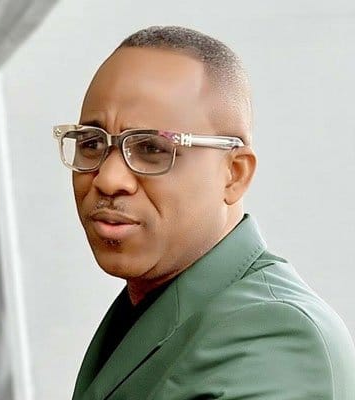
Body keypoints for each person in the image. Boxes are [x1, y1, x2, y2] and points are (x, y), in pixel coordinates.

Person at [53, 26, 355, 400]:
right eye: (92, 143)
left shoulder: (274, 333)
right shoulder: (150, 302)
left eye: (152, 148)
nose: (108, 178)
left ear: (234, 174)